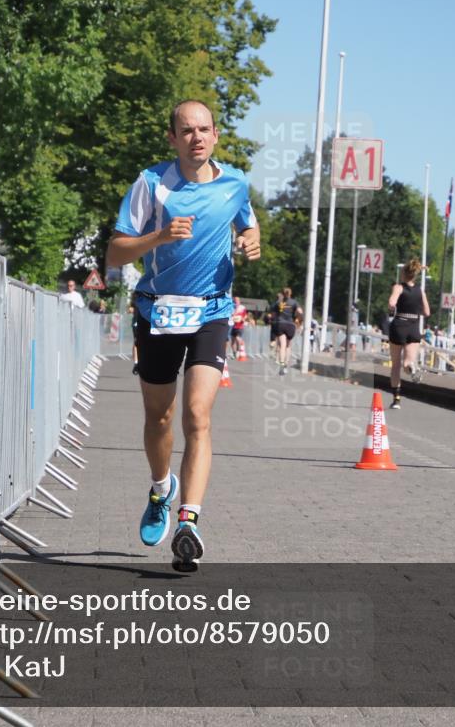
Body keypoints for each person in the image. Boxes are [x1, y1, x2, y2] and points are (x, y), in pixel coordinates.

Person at [106, 99, 261, 571]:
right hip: (158, 312)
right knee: (159, 417)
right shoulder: (151, 184)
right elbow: (115, 253)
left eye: (204, 129)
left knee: (197, 414)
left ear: (216, 136)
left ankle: (189, 522)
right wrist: (158, 236)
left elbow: (248, 227)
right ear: (173, 138)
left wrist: (253, 241)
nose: (196, 137)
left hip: (212, 313)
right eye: (186, 130)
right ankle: (160, 490)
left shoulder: (235, 183)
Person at [387, 259, 431, 410]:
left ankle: (396, 400)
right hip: (413, 327)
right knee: (406, 363)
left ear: (404, 273)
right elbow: (427, 312)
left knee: (395, 365)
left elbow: (392, 302)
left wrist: (392, 308)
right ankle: (412, 367)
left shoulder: (398, 287)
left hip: (399, 325)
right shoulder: (420, 290)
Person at [270, 288, 301, 375]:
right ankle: (286, 364)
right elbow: (300, 312)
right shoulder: (294, 302)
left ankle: (282, 365)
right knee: (288, 346)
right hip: (290, 324)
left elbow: (272, 314)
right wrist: (299, 319)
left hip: (280, 323)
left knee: (282, 345)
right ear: (290, 294)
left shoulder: (278, 302)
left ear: (283, 294)